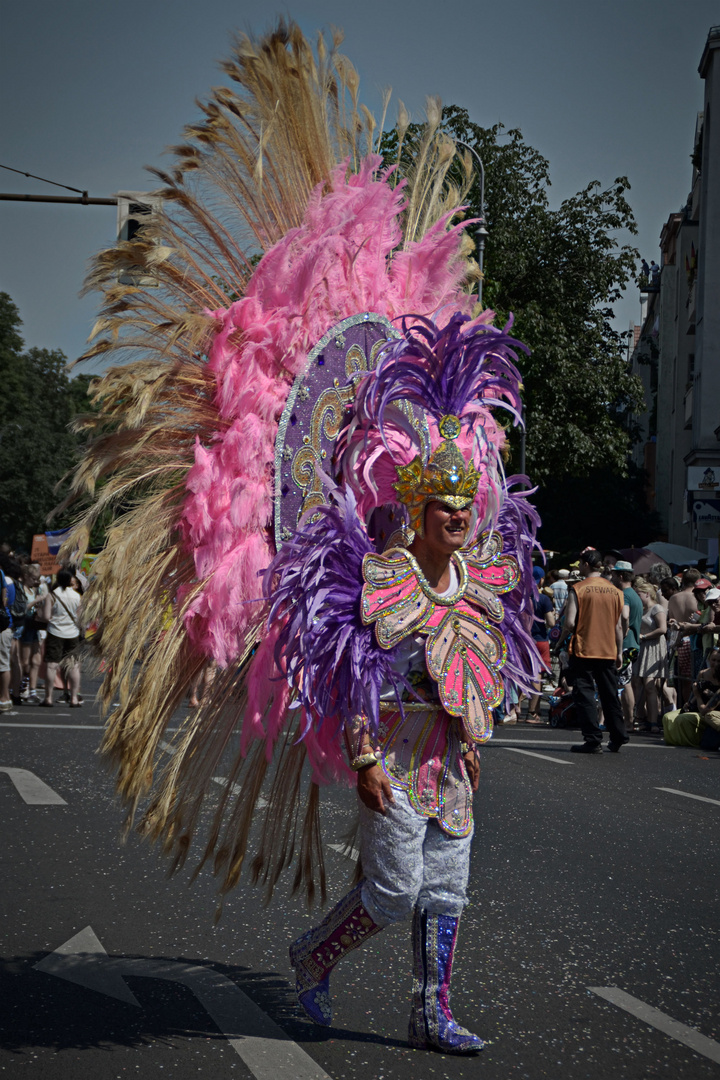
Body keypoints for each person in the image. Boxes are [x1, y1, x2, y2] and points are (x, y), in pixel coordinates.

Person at [561, 548, 627, 753]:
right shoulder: (616, 591)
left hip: (584, 648)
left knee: (585, 694)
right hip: (608, 649)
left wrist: (566, 637)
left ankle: (593, 739)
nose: (579, 567)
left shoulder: (578, 589)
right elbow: (618, 626)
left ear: (587, 565)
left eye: (580, 564)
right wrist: (619, 651)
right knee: (610, 694)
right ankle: (617, 735)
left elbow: (570, 623)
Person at [39, 568, 83, 707]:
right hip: (73, 633)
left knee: (52, 665)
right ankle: (74, 698)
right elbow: (81, 618)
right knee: (73, 666)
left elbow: (46, 617)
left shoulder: (52, 595)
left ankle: (48, 698)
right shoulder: (77, 596)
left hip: (55, 632)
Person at [610, 560, 643, 732]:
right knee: (626, 682)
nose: (612, 577)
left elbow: (625, 615)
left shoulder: (625, 595)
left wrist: (621, 635)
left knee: (625, 683)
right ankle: (629, 720)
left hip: (626, 644)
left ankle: (629, 721)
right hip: (633, 643)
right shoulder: (634, 594)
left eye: (614, 574)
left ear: (621, 576)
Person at [634, 582, 668, 734]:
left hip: (654, 647)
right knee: (638, 684)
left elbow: (662, 629)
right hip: (642, 648)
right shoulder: (641, 610)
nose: (637, 597)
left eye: (639, 594)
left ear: (647, 594)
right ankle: (641, 718)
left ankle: (653, 721)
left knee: (649, 685)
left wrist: (644, 636)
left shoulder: (657, 608)